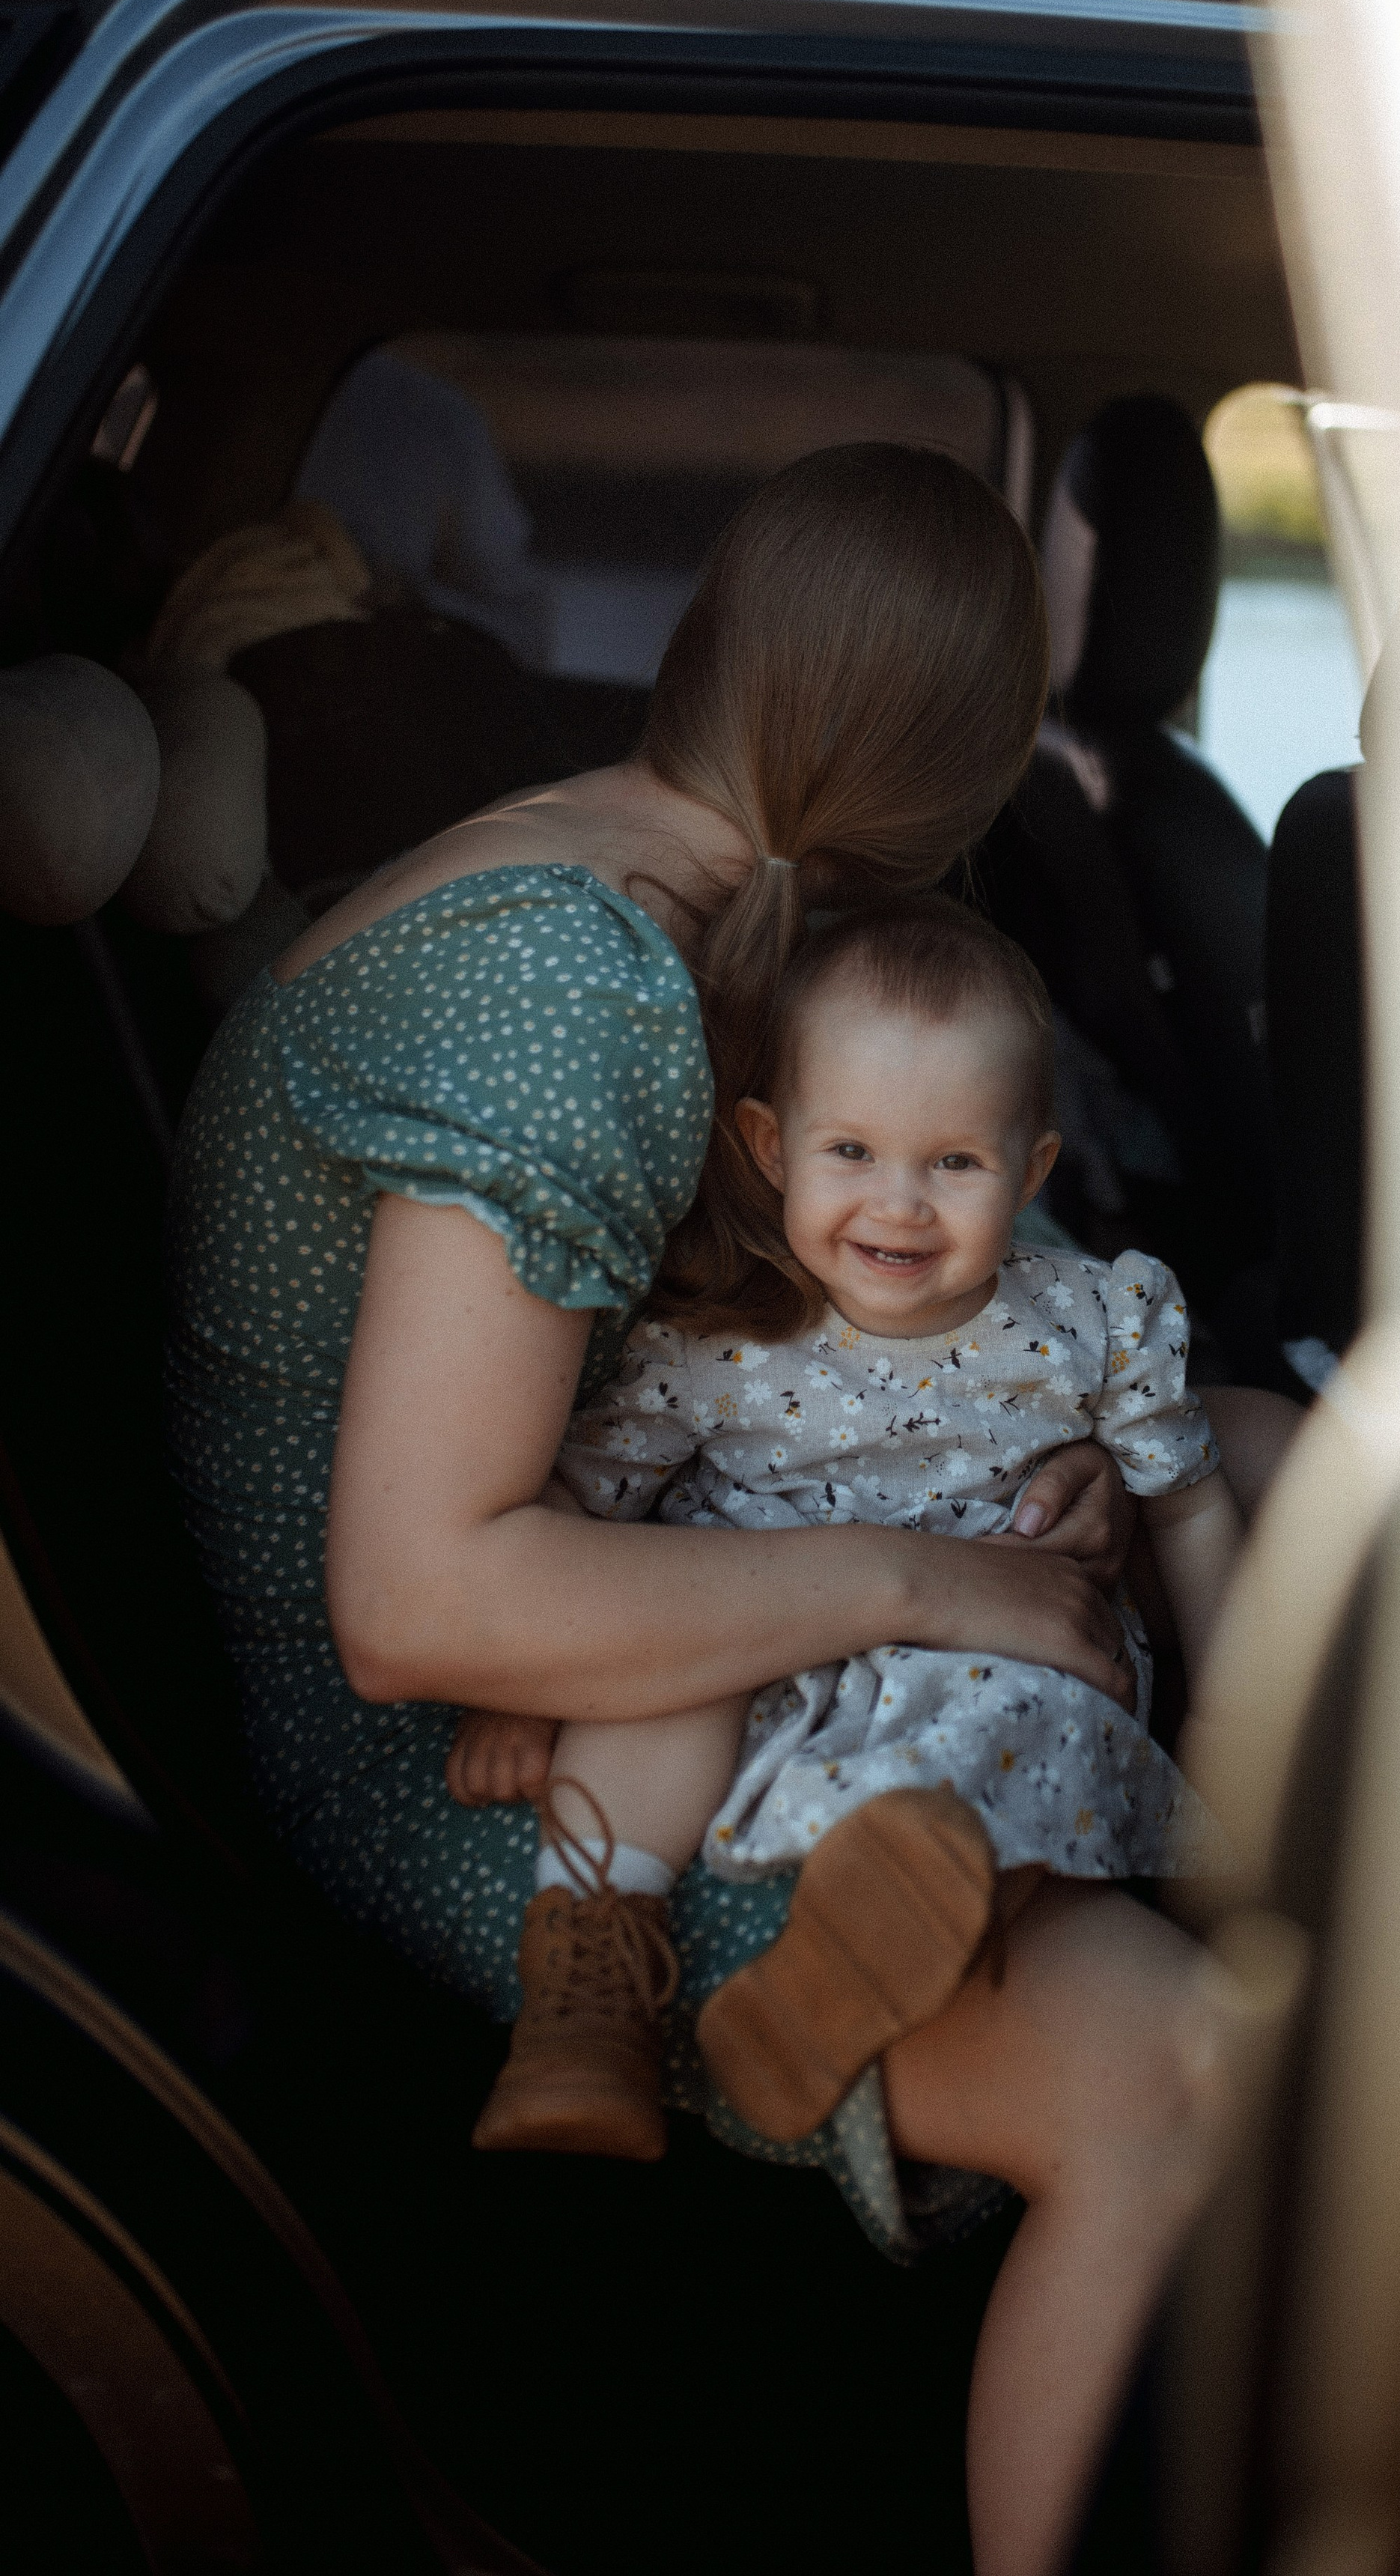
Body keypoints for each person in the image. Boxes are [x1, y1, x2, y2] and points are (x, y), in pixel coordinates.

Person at [165, 440, 1275, 2576]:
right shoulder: (576, 989)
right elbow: (415, 1601)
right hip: (440, 1741)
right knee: (1174, 2078)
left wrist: (1043, 1471)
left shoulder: (628, 877)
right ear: (952, 798)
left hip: (583, 1592)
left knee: (1244, 1444)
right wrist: (938, 1568)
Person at [452, 895, 1243, 2162]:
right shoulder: (713, 1345)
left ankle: (835, 1981)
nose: (901, 1206)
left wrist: (1237, 1722)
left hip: (991, 1655)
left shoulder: (1092, 1322)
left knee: (1045, 1714)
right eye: (853, 1153)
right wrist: (518, 1688)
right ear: (770, 1146)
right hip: (759, 1644)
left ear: (1032, 1168)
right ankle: (586, 1993)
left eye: (955, 1163)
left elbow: (1190, 1504)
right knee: (663, 1634)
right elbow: (577, 1521)